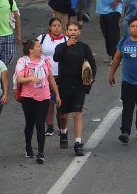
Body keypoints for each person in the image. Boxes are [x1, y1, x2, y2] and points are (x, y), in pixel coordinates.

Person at [54, 22, 97, 156]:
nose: (73, 32)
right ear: (66, 32)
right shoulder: (61, 46)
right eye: (70, 30)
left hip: (79, 85)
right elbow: (56, 58)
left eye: (75, 30)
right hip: (63, 84)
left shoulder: (84, 48)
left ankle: (78, 143)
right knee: (63, 115)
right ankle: (63, 132)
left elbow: (93, 66)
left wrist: (89, 82)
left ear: (79, 32)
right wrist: (66, 45)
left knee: (77, 114)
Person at [15, 40, 61, 164]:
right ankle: (28, 147)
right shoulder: (23, 61)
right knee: (30, 123)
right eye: (38, 46)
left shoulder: (45, 61)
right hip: (28, 97)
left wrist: (57, 95)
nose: (41, 48)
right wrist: (31, 78)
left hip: (44, 97)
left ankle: (41, 153)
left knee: (40, 123)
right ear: (31, 50)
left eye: (40, 46)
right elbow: (19, 79)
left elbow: (51, 78)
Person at [37, 18, 67, 136]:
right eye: (54, 25)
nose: (56, 27)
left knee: (60, 102)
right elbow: (35, 52)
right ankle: (49, 127)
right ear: (50, 27)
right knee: (48, 103)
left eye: (59, 25)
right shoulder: (42, 38)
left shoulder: (66, 40)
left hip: (61, 75)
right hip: (46, 75)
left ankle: (61, 126)